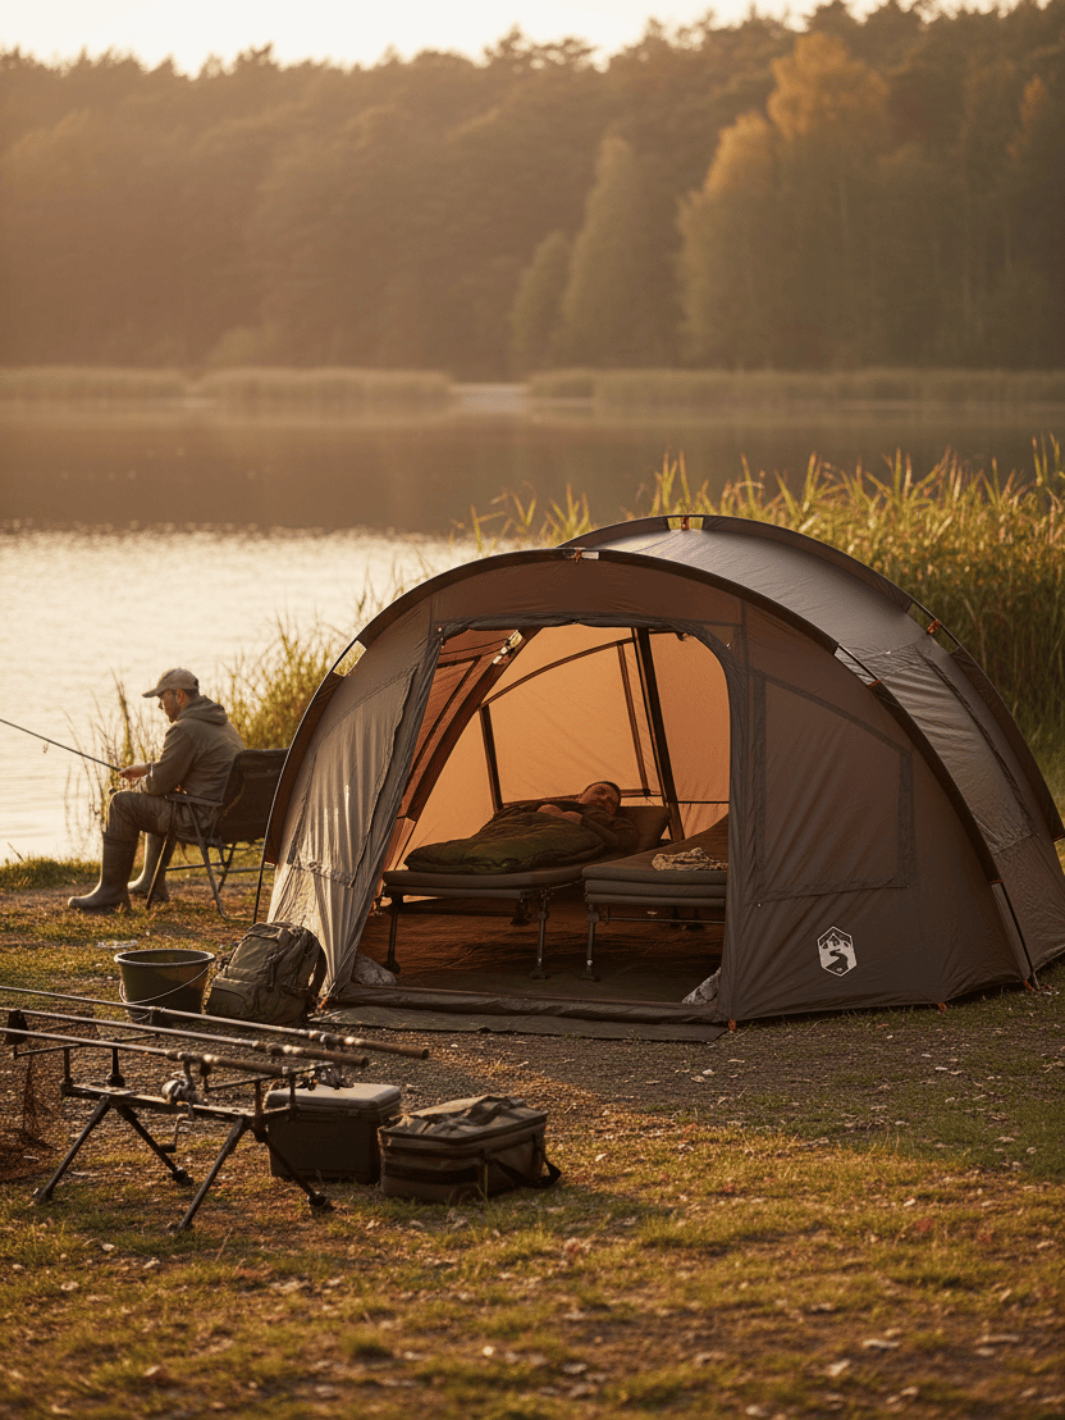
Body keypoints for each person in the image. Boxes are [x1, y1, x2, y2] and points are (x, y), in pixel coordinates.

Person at [68, 668, 244, 913]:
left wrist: (137, 785)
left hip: (203, 821)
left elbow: (158, 785)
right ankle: (151, 881)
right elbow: (191, 766)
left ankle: (111, 894)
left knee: (121, 803)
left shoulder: (184, 729)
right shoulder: (220, 723)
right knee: (159, 797)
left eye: (162, 699)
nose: (160, 706)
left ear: (179, 696)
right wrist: (149, 768)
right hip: (230, 820)